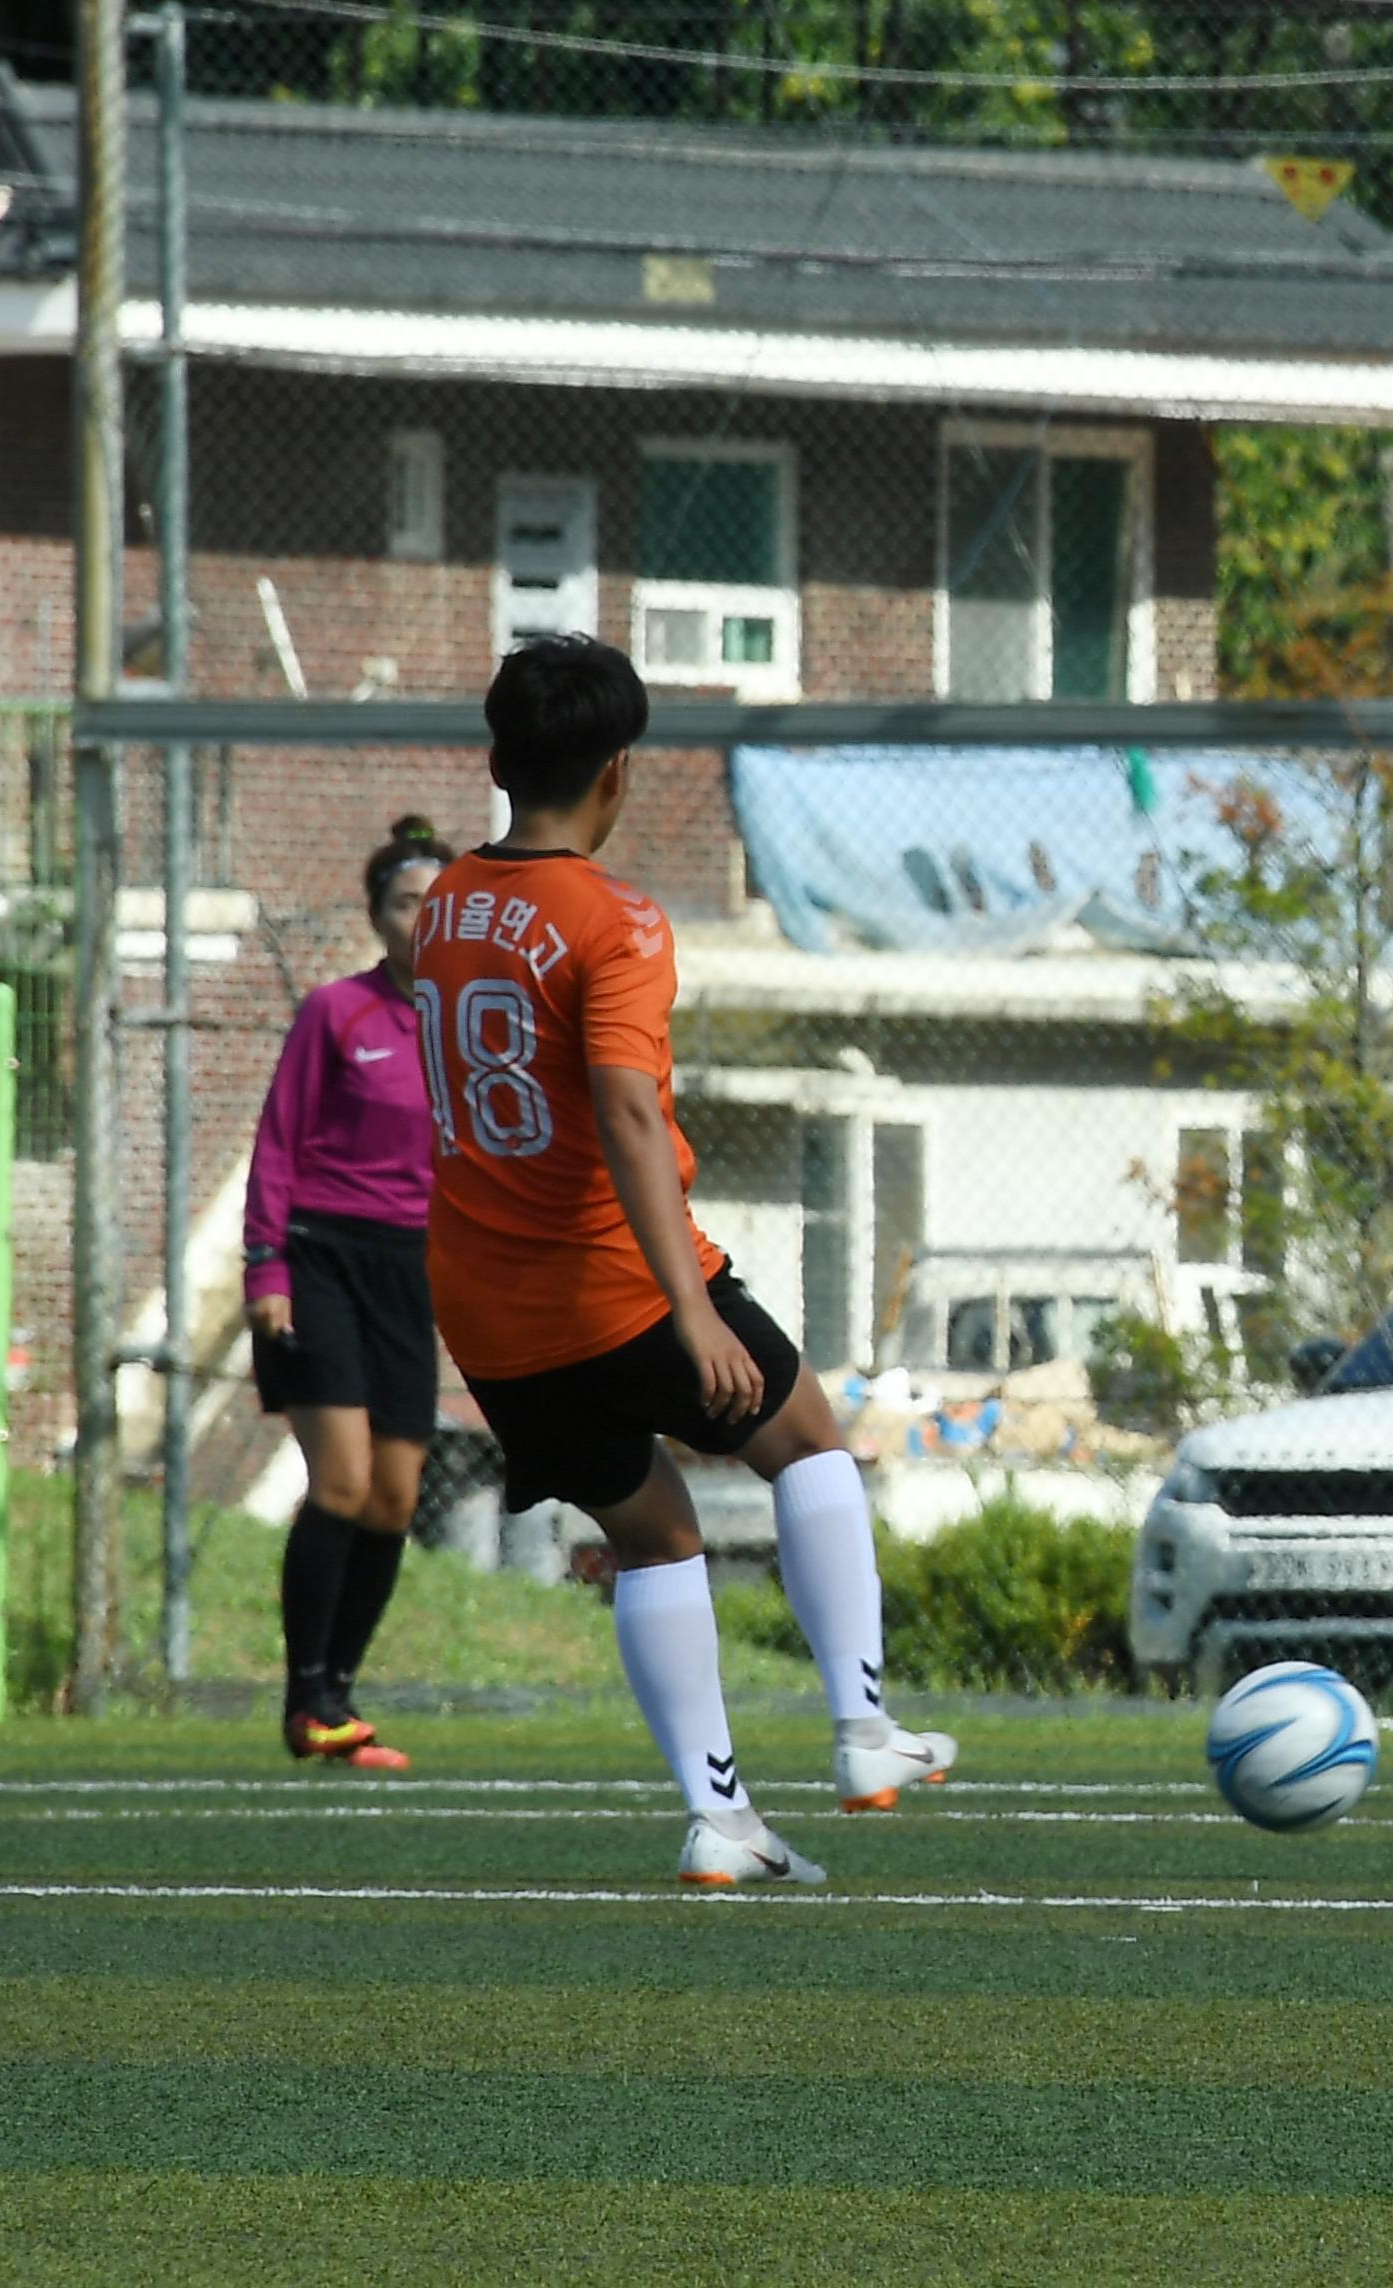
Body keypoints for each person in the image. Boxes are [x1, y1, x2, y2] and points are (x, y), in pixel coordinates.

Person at [417, 635, 954, 1887]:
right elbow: (625, 1112)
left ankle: (721, 1819)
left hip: (489, 1310)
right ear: (619, 771)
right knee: (810, 1441)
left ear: (498, 762)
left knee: (656, 1533)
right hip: (614, 1275)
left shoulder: (442, 900)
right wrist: (688, 1308)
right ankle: (864, 1733)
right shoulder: (618, 919)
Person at [247, 814, 455, 1769]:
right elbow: (279, 1142)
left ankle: (340, 1689)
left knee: (396, 1496)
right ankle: (308, 1702)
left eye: (439, 903)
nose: (423, 919)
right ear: (378, 918)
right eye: (407, 903)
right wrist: (269, 1269)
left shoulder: (476, 1024)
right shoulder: (336, 1012)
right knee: (341, 1478)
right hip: (322, 1258)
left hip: (413, 1269)